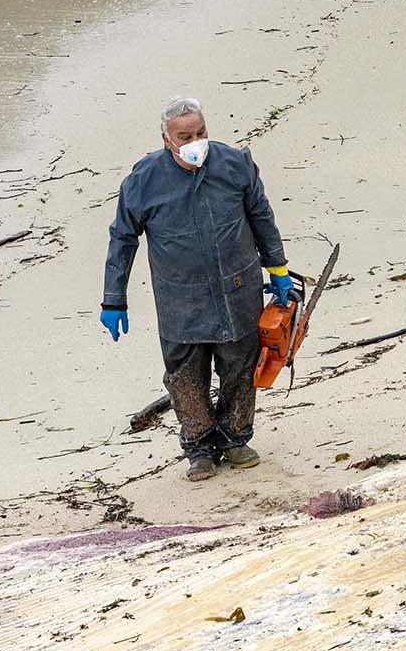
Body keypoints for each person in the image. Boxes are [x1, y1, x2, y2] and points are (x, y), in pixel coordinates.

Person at [101, 97, 292, 481]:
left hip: (238, 289)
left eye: (201, 132)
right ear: (166, 139)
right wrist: (114, 299)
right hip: (179, 299)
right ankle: (200, 448)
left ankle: (236, 439)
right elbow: (123, 238)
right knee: (185, 376)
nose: (195, 141)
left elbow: (261, 215)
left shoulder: (235, 165)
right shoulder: (143, 182)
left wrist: (278, 267)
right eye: (185, 136)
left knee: (239, 367)